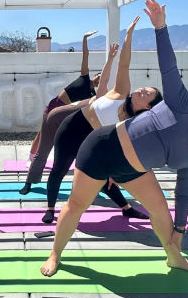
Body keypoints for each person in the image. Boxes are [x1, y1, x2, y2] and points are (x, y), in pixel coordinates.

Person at [40, 0, 188, 277]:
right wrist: (160, 28)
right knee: (77, 205)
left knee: (160, 208)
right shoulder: (183, 107)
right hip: (102, 148)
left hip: (133, 169)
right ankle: (56, 254)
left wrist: (178, 231)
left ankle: (175, 257)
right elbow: (169, 68)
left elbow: (184, 194)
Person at [38, 16, 162, 223]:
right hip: (73, 129)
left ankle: (126, 207)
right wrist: (128, 35)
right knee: (59, 168)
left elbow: (124, 146)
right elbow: (125, 64)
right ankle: (50, 209)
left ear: (149, 106)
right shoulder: (121, 92)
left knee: (103, 174)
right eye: (143, 88)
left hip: (93, 140)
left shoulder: (134, 123)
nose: (141, 90)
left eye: (147, 93)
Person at [19, 40, 119, 193]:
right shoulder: (85, 81)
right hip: (54, 115)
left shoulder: (97, 96)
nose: (100, 81)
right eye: (99, 77)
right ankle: (29, 183)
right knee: (43, 148)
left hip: (69, 124)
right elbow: (98, 70)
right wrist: (106, 55)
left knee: (81, 154)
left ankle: (89, 186)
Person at [28, 30, 101, 161]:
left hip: (65, 113)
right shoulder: (84, 78)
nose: (98, 80)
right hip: (55, 105)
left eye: (101, 80)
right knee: (42, 135)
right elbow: (86, 56)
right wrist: (84, 39)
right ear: (94, 75)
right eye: (98, 76)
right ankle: (31, 158)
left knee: (61, 137)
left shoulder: (93, 95)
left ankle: (64, 159)